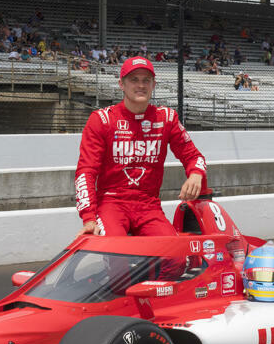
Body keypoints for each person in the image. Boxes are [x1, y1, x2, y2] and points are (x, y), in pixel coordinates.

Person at [75, 56, 207, 237]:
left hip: (149, 206)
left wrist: (195, 175)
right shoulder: (102, 120)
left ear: (153, 85)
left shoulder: (167, 118)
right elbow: (86, 172)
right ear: (122, 84)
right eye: (134, 80)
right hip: (110, 204)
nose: (141, 85)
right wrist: (89, 218)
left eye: (146, 80)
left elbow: (194, 157)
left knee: (173, 259)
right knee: (118, 255)